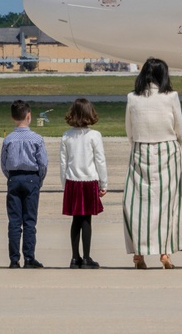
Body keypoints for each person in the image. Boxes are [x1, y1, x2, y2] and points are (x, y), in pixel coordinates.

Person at [122, 57, 182, 269]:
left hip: (141, 148)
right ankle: (165, 251)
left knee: (136, 203)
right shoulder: (171, 96)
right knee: (168, 203)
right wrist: (177, 143)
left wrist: (137, 143)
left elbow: (129, 129)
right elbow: (179, 127)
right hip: (167, 148)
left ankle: (139, 253)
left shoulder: (132, 97)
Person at [60, 98, 107, 269]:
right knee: (86, 220)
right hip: (89, 181)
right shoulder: (95, 136)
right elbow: (100, 161)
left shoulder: (66, 135)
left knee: (75, 220)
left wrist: (64, 184)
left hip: (72, 181)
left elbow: (63, 163)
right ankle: (86, 257)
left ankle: (75, 257)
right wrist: (104, 183)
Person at [0, 100, 47, 268]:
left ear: (12, 117)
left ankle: (14, 260)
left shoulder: (8, 140)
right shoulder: (37, 139)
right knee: (29, 221)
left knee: (14, 221)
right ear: (29, 116)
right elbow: (43, 163)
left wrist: (11, 177)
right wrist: (39, 179)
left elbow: (4, 164)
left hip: (14, 179)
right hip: (31, 178)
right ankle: (29, 258)